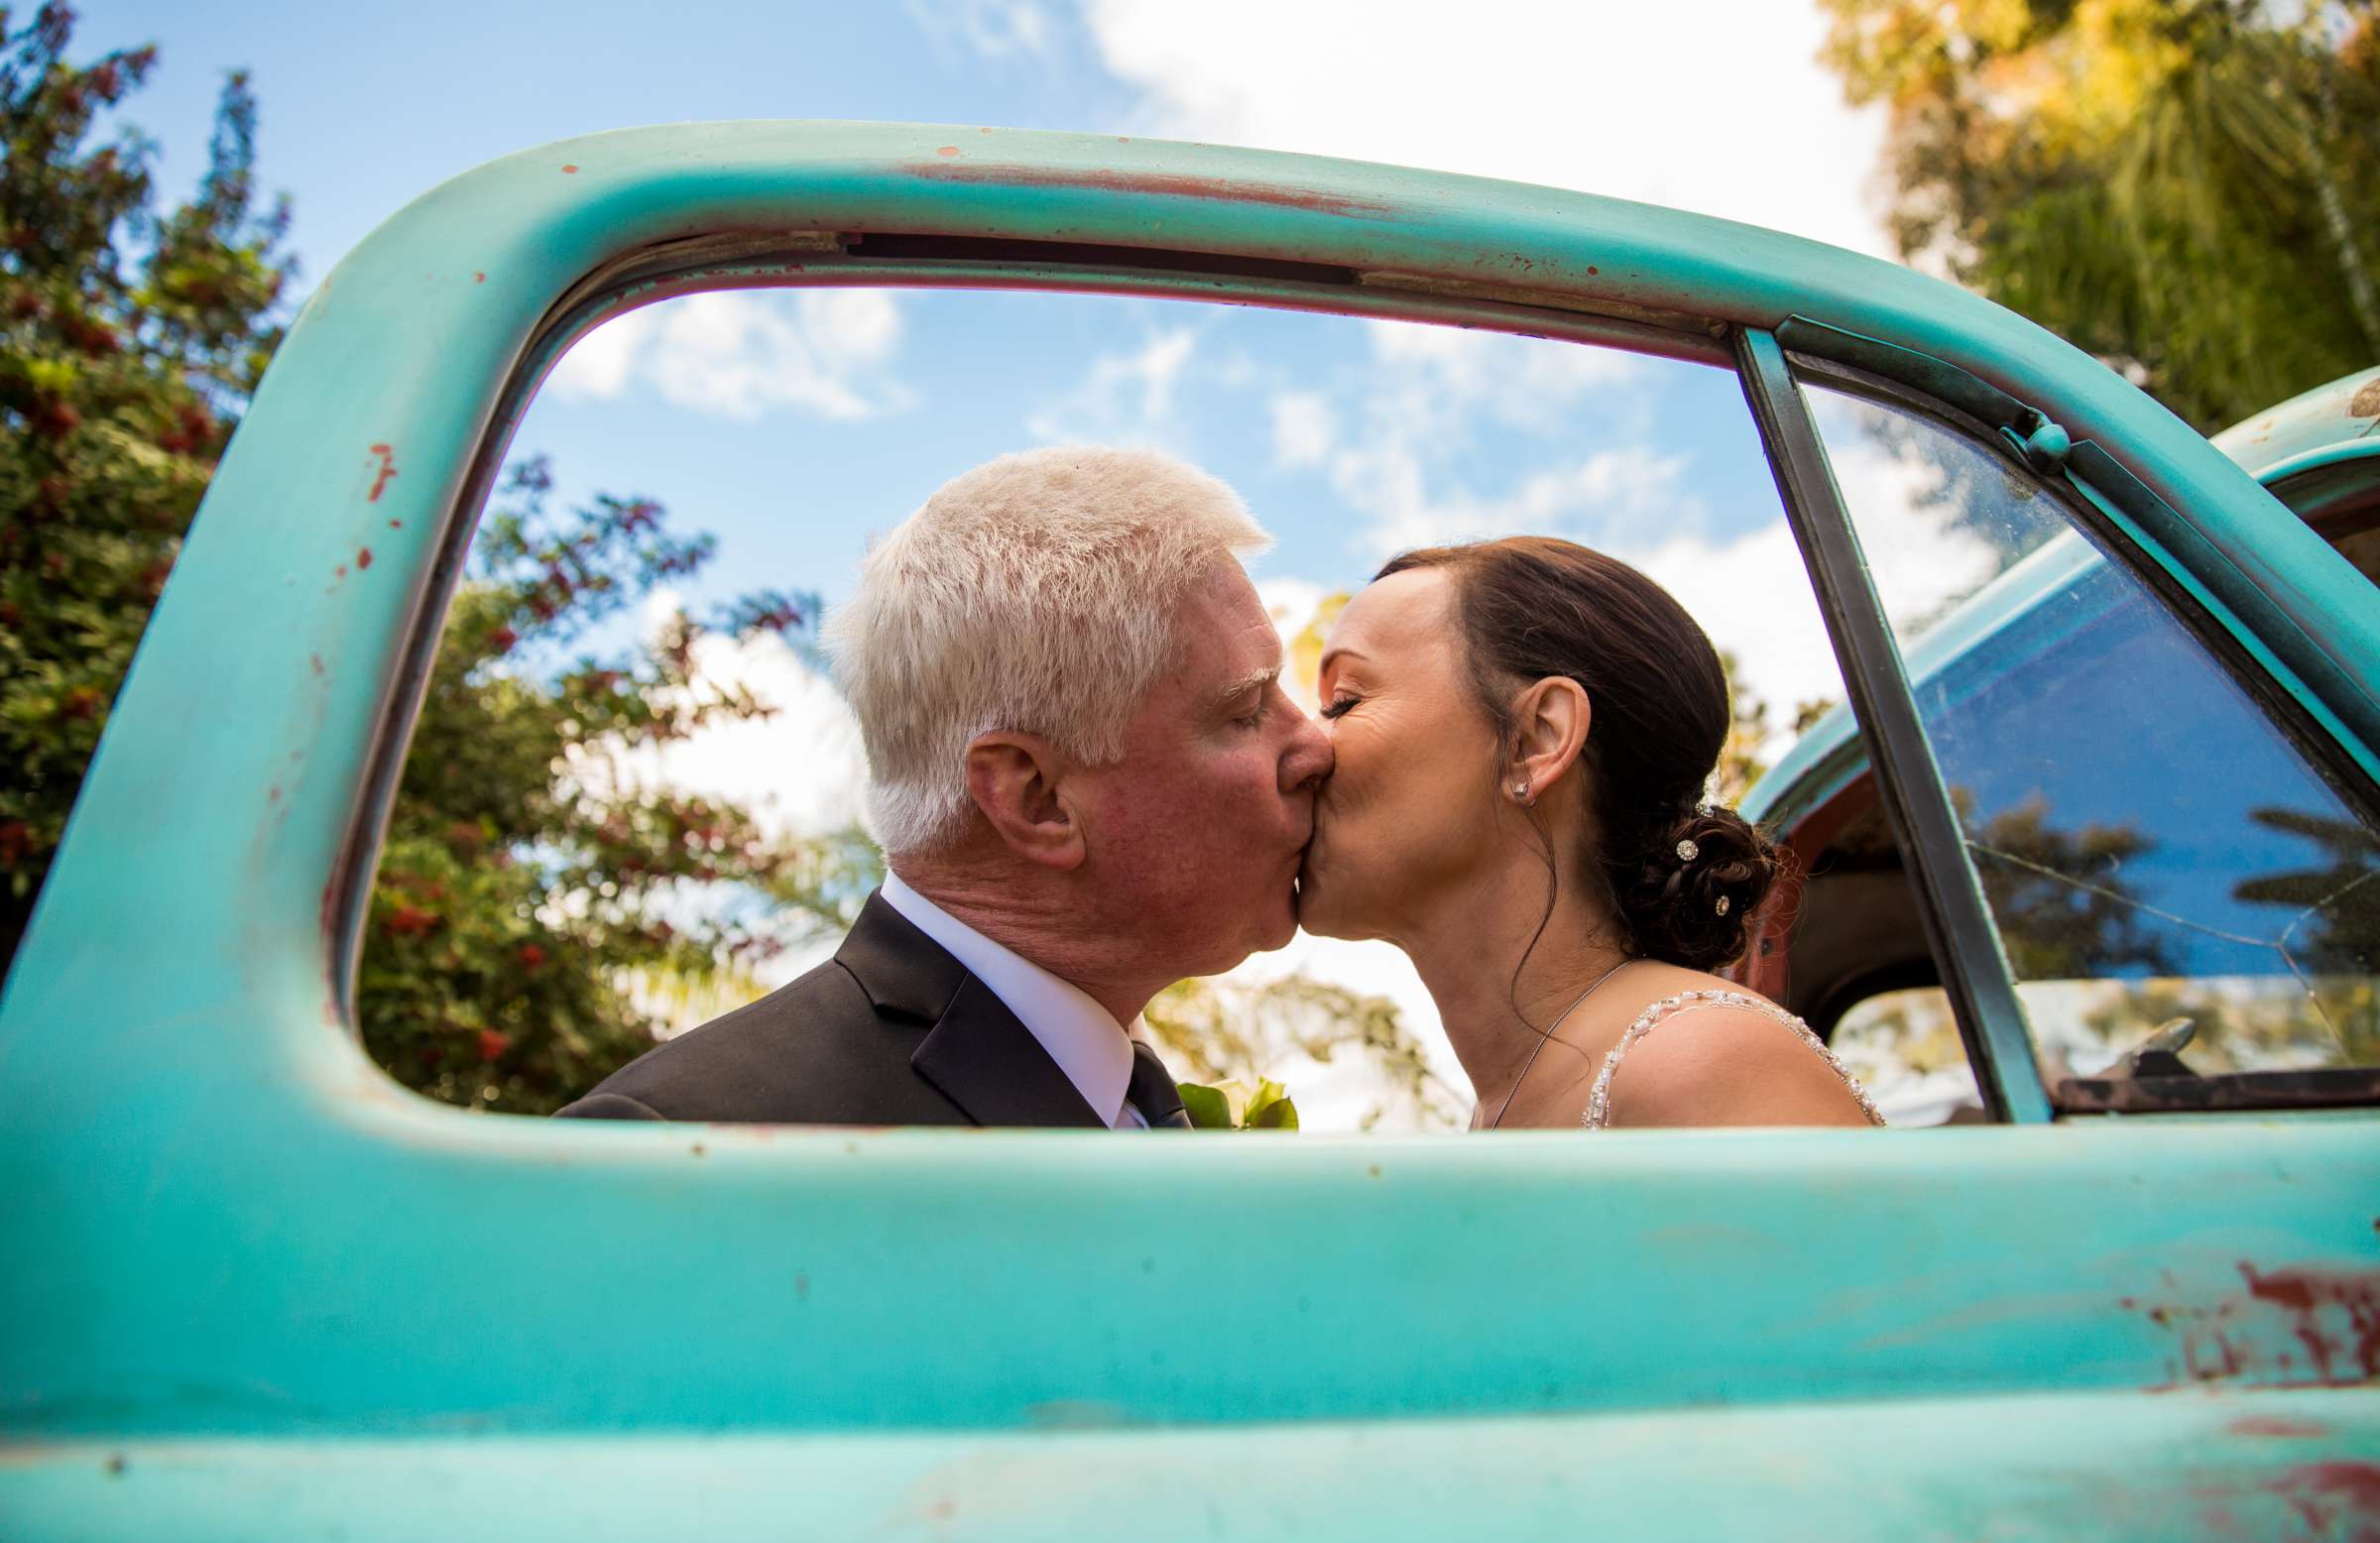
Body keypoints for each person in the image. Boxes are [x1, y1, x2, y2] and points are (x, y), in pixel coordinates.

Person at [558, 447, 1332, 1127]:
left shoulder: (1126, 1099)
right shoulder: (684, 1148)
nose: (1313, 747)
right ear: (1036, 799)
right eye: (1246, 709)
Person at [1296, 535, 1882, 1131]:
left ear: (1536, 740)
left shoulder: (1703, 1067)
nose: (1305, 747)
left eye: (1343, 702)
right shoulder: (1507, 1101)